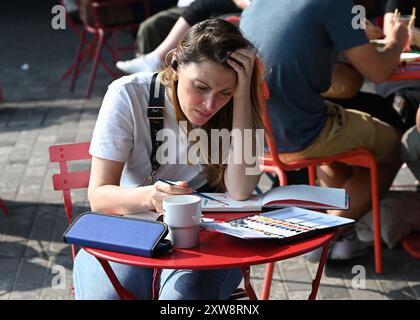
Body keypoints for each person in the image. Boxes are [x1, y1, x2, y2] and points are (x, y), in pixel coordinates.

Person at [73, 18, 264, 299]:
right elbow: (98, 197)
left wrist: (243, 96)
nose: (210, 105)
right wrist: (150, 197)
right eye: (200, 87)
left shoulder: (236, 107)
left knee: (181, 298)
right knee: (111, 296)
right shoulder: (128, 94)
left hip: (205, 236)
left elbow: (241, 189)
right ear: (174, 64)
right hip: (129, 226)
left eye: (225, 92)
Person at [240, 0, 408, 260]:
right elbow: (378, 71)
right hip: (302, 133)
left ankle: (343, 236)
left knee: (339, 148)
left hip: (259, 136)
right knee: (397, 147)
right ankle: (322, 234)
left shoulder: (259, 3)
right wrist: (397, 40)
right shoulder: (333, 3)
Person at [116, 0, 247, 74]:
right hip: (189, 5)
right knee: (151, 26)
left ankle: (156, 62)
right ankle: (149, 85)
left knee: (210, 25)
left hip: (232, 7)